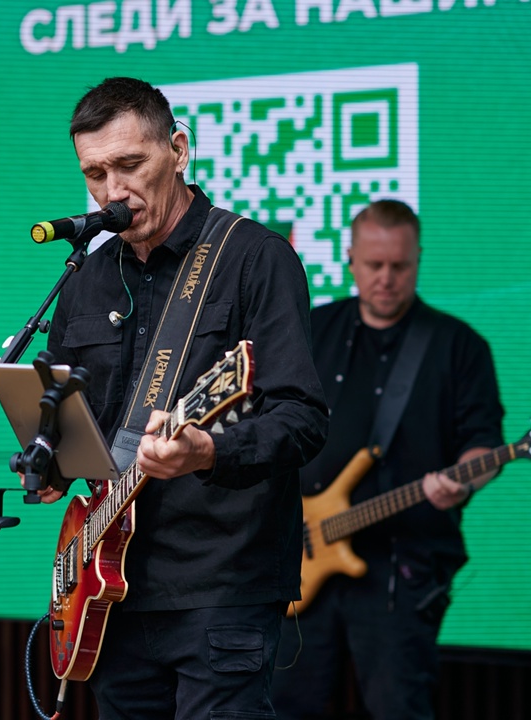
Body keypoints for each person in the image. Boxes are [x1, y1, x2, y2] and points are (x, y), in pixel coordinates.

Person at [36, 77, 329, 720]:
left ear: (178, 148)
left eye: (130, 164)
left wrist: (207, 451)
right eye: (95, 173)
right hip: (110, 587)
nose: (113, 190)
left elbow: (303, 419)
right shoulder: (87, 276)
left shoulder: (254, 257)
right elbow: (72, 417)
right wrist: (50, 459)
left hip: (220, 582)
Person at [269, 199, 505, 719]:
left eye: (400, 266)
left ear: (418, 259)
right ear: (350, 258)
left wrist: (463, 482)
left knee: (400, 705)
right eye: (374, 265)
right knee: (282, 704)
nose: (386, 278)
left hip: (403, 568)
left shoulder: (459, 347)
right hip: (302, 554)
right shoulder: (311, 329)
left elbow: (484, 445)